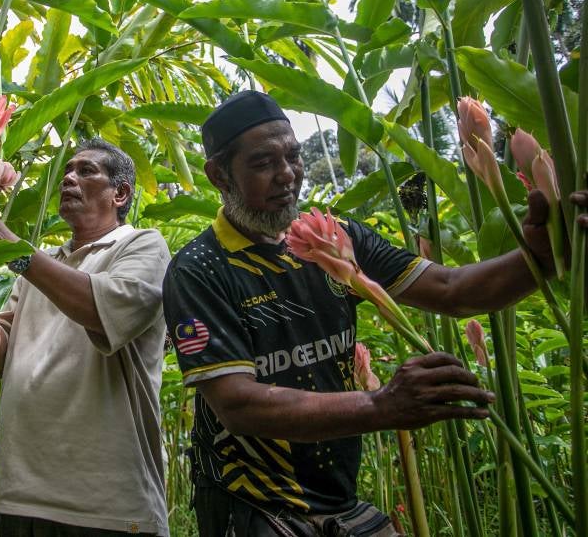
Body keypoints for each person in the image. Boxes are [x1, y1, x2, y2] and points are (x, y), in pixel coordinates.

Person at [162, 90, 588, 536]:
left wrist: (540, 259)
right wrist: (380, 404)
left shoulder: (334, 236)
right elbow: (238, 404)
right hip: (254, 510)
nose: (287, 175)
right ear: (218, 175)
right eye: (263, 163)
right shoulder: (200, 269)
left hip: (340, 502)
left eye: (293, 156)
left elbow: (451, 290)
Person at [0, 138, 171, 536]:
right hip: (20, 496)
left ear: (121, 193)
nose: (68, 179)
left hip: (106, 505)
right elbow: (0, 355)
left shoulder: (142, 246)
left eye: (85, 171)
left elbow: (98, 310)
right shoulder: (45, 264)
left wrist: (15, 251)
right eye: (66, 171)